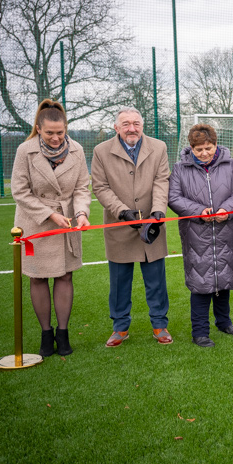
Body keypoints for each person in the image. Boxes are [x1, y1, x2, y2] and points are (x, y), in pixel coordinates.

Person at [11, 99, 91, 356]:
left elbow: (81, 188)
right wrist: (49, 215)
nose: (56, 138)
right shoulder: (25, 150)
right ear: (38, 128)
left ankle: (63, 333)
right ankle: (46, 333)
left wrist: (81, 213)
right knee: (38, 277)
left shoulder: (77, 150)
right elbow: (20, 192)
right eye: (49, 133)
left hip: (67, 220)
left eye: (60, 132)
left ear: (66, 128)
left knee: (65, 275)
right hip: (35, 223)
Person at [91, 107, 172, 347]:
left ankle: (160, 325)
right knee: (119, 283)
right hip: (119, 226)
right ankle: (120, 328)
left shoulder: (159, 147)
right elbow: (100, 187)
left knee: (156, 281)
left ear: (142, 125)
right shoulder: (101, 151)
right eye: (126, 124)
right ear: (116, 128)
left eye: (136, 123)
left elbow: (161, 180)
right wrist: (122, 212)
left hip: (151, 226)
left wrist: (158, 211)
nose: (131, 128)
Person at [169, 124, 233, 347]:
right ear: (191, 148)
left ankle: (224, 322)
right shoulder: (179, 169)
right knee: (201, 282)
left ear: (216, 144)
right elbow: (174, 198)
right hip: (196, 235)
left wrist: (227, 209)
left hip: (227, 232)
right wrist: (198, 212)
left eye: (209, 147)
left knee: (223, 278)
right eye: (199, 149)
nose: (204, 153)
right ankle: (200, 331)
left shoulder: (232, 165)